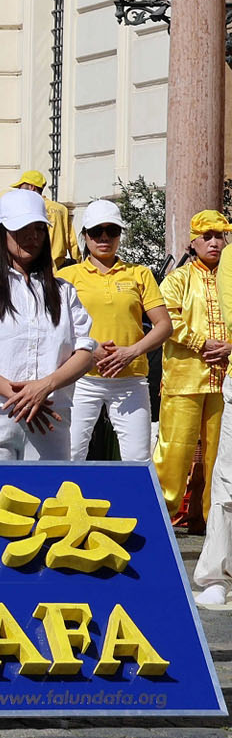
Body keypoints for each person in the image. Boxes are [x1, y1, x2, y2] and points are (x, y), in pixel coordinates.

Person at [0, 189, 96, 461]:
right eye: (21, 228)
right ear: (1, 233)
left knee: (48, 500)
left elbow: (85, 352)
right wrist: (20, 396)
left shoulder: (64, 292)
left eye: (39, 228)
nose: (32, 236)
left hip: (50, 418)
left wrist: (45, 387)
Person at [63, 199, 169, 463]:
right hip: (82, 377)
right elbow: (56, 325)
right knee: (70, 453)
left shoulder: (140, 274)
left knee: (137, 458)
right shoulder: (68, 276)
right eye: (97, 231)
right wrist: (89, 347)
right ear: (85, 235)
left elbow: (164, 325)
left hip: (130, 378)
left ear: (120, 235)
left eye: (112, 231)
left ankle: (132, 505)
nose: (104, 237)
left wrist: (131, 352)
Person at [156, 210, 230, 516]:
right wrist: (200, 342)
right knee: (174, 451)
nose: (214, 243)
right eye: (207, 237)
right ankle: (162, 514)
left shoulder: (229, 278)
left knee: (220, 455)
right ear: (193, 243)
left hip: (223, 380)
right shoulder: (178, 279)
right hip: (184, 379)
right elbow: (165, 318)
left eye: (220, 236)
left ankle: (214, 521)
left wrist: (229, 346)